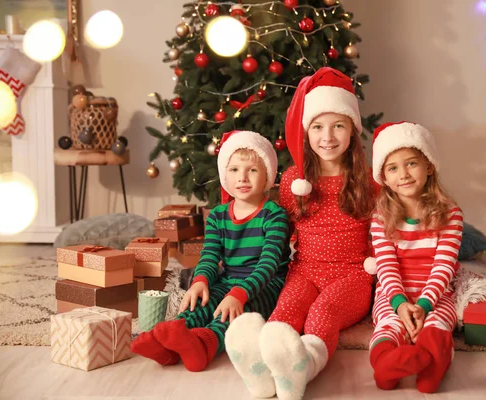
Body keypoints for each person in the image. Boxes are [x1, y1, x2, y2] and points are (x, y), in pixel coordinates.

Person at [225, 67, 375, 400]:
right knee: (287, 310)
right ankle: (260, 365)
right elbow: (281, 234)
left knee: (324, 312)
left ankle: (304, 366)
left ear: (352, 130)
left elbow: (382, 232)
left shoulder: (365, 180)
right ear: (307, 132)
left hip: (352, 277)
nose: (328, 136)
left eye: (339, 126)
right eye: (318, 127)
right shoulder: (295, 181)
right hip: (305, 271)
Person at [130, 130, 290, 372]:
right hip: (229, 278)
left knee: (232, 313)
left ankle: (204, 346)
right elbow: (210, 256)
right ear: (225, 175)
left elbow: (268, 265)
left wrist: (239, 293)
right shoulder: (217, 216)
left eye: (252, 170)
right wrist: (200, 281)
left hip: (264, 285)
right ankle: (171, 342)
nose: (243, 178)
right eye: (234, 170)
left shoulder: (274, 215)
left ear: (267, 175)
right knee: (204, 300)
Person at [367, 121, 463, 393]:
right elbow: (386, 266)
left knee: (438, 326)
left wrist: (424, 305)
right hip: (392, 294)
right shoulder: (381, 217)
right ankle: (386, 365)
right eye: (393, 168)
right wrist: (399, 304)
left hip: (436, 294)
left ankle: (433, 367)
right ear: (383, 178)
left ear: (429, 166)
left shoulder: (450, 214)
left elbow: (443, 266)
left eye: (411, 163)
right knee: (388, 327)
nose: (404, 174)